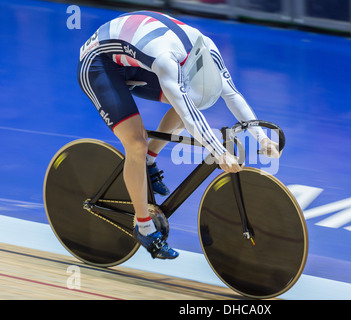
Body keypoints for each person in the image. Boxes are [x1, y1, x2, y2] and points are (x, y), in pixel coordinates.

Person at [77, 10, 280, 260]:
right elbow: (189, 113)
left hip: (135, 55)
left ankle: (150, 160)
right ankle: (144, 227)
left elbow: (232, 94)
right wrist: (219, 152)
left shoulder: (208, 49)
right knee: (136, 144)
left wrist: (261, 137)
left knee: (179, 111)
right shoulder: (165, 61)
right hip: (99, 62)